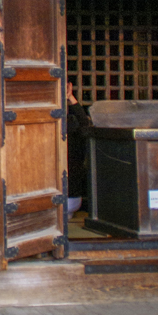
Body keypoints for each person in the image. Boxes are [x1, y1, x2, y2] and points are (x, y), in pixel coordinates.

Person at [66, 80, 91, 215]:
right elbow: (84, 123)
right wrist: (71, 98)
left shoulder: (70, 142)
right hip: (74, 199)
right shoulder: (80, 140)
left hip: (67, 198)